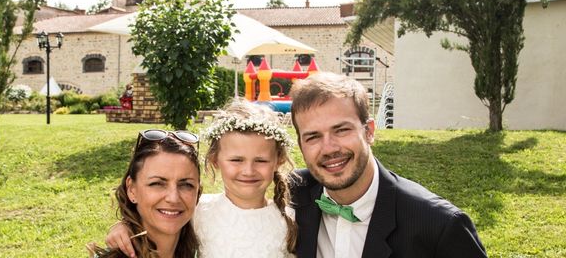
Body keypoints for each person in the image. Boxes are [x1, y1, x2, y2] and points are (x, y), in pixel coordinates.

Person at [289, 72, 487, 258]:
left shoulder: (439, 225)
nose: (328, 148)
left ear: (369, 132)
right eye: (313, 137)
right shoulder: (293, 195)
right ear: (301, 145)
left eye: (341, 130)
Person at [106, 100, 297, 258]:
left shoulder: (290, 219)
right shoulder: (199, 211)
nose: (248, 170)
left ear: (278, 160)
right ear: (215, 159)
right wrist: (124, 227)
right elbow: (154, 219)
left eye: (261, 160)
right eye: (236, 160)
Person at [88, 129, 202, 258]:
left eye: (186, 185)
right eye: (157, 184)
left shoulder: (205, 249)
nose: (173, 198)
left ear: (198, 193)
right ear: (131, 189)